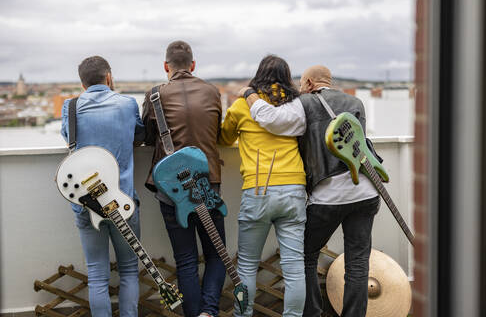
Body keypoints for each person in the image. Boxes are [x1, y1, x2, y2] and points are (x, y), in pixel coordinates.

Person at [242, 65, 380, 317]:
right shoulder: (355, 101)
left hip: (329, 194)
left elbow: (272, 121)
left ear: (307, 82)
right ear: (330, 81)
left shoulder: (304, 103)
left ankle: (312, 313)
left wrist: (250, 94)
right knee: (357, 261)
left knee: (304, 256)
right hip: (367, 191)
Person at [219, 55, 307, 317]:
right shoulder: (295, 104)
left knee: (246, 266)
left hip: (258, 189)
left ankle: (242, 314)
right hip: (293, 188)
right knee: (294, 267)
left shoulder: (242, 106)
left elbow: (224, 138)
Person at [142, 40, 225, 317]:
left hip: (171, 189)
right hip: (208, 183)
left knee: (186, 259)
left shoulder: (155, 95)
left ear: (166, 66)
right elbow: (215, 133)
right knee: (216, 255)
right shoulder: (213, 92)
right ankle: (209, 312)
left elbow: (148, 137)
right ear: (193, 65)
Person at [61, 56, 145, 317]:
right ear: (109, 76)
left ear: (82, 82)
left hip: (86, 204)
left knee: (97, 273)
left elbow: (68, 138)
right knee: (129, 269)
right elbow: (139, 135)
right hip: (124, 201)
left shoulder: (71, 107)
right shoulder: (127, 103)